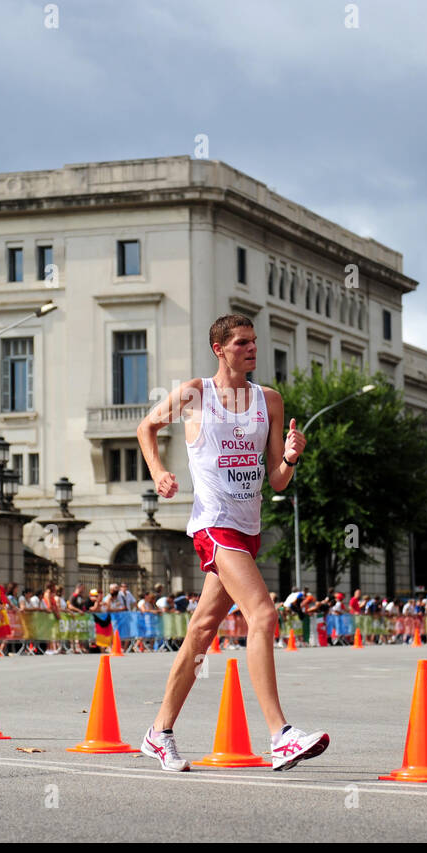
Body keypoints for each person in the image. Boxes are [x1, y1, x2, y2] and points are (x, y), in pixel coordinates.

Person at [136, 313, 325, 773]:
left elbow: (277, 480)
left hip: (248, 529)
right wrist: (160, 472)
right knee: (262, 613)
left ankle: (158, 733)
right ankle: (280, 735)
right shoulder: (195, 394)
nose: (251, 349)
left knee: (201, 631)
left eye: (254, 342)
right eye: (242, 343)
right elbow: (146, 428)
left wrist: (294, 457)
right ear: (219, 349)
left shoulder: (270, 401)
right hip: (214, 525)